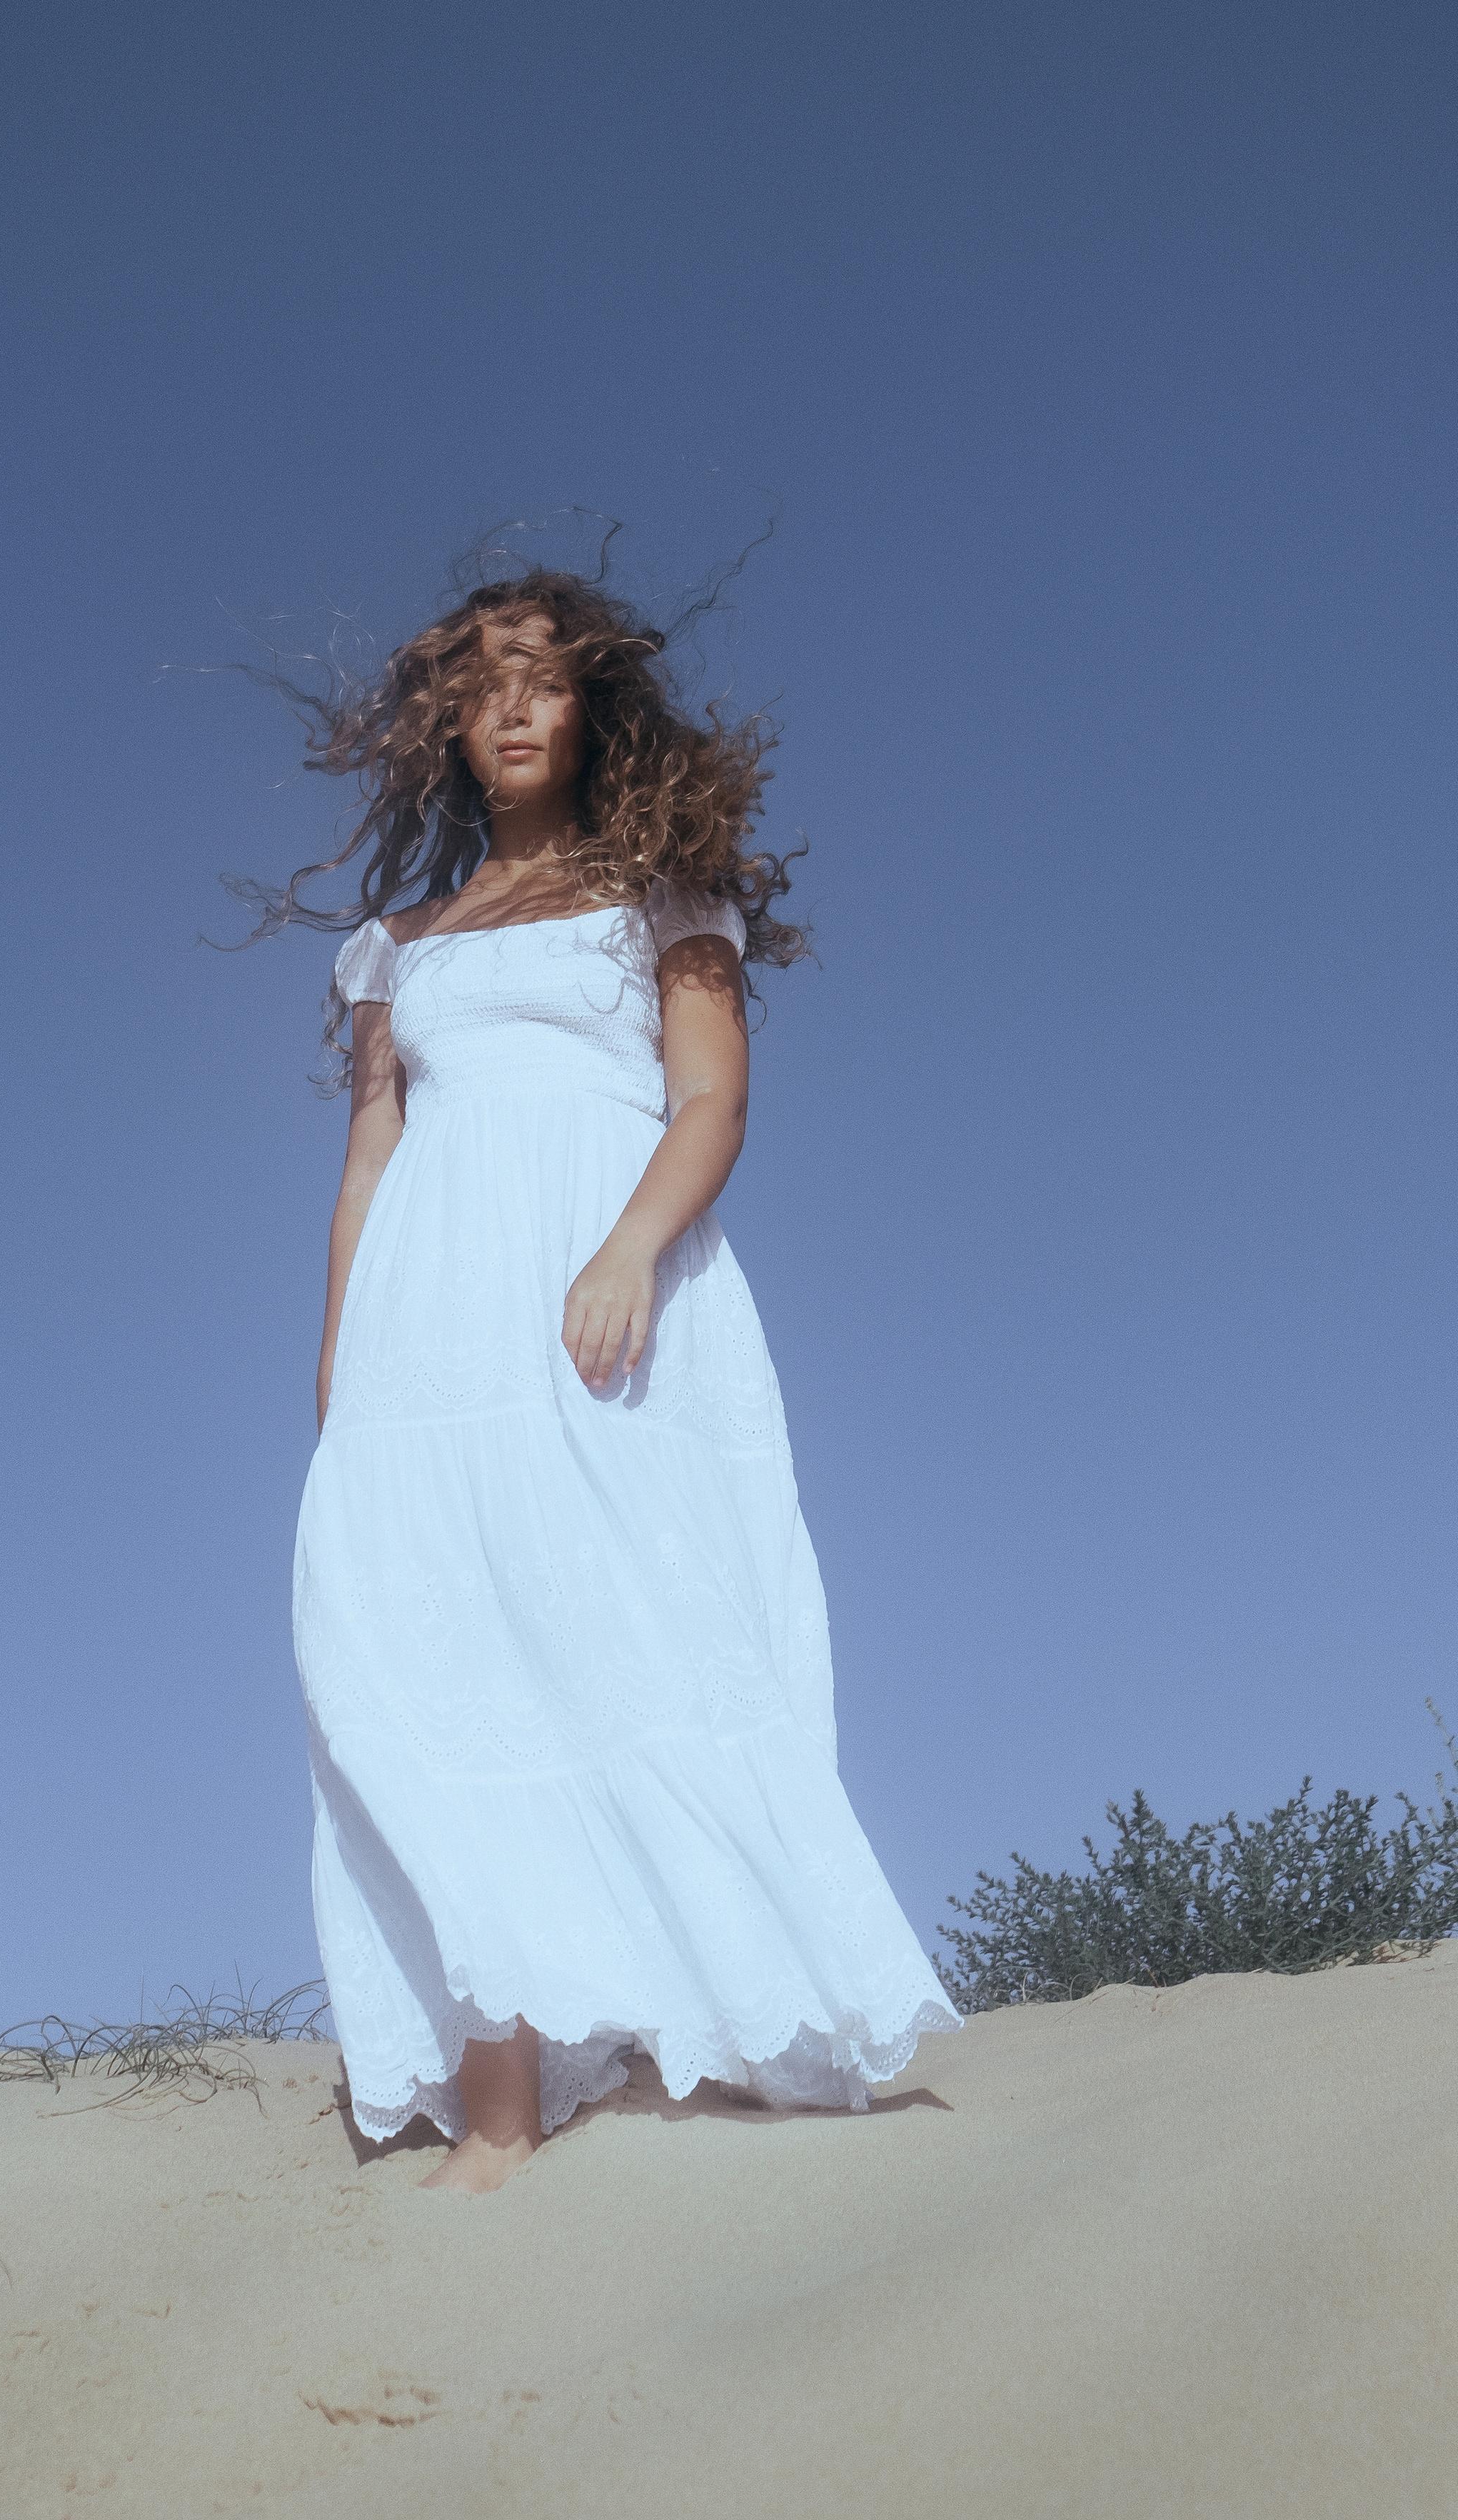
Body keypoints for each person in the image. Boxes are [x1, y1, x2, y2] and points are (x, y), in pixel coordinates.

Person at [271, 564, 957, 2194]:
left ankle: (702, 2023)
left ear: (593, 712)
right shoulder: (396, 950)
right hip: (425, 1344)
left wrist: (624, 1252)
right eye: (480, 683)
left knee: (627, 1627)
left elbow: (709, 1101)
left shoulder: (664, 895)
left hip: (606, 1305)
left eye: (542, 680)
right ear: (445, 721)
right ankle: (495, 2098)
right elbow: (368, 1166)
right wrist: (340, 1386)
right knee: (429, 1661)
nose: (509, 707)